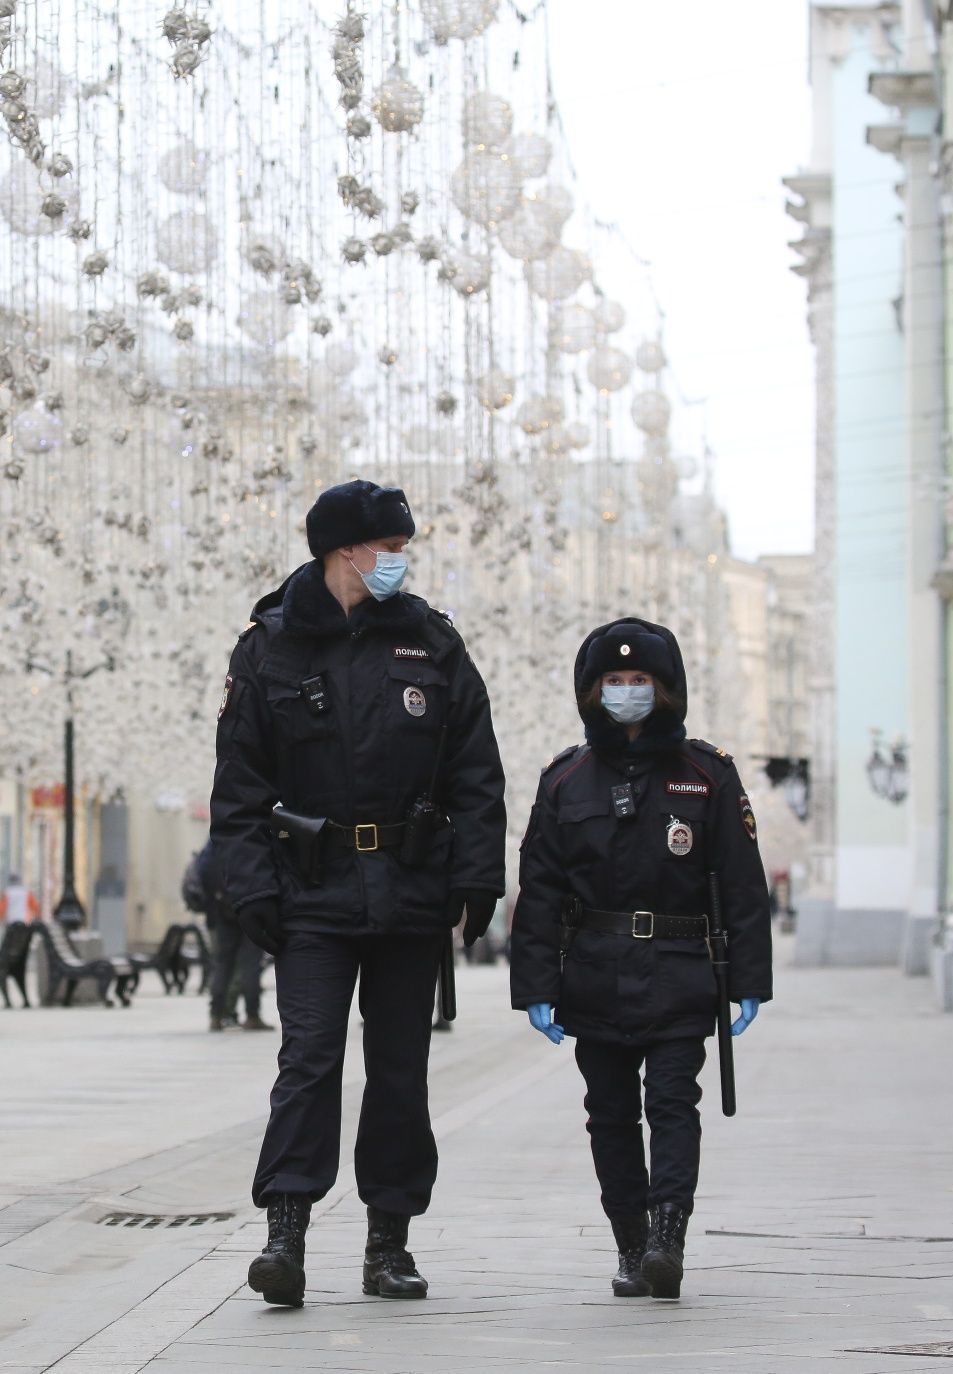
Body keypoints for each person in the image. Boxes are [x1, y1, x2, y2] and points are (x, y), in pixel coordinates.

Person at [211, 479, 509, 1307]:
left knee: (400, 1072)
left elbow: (476, 771)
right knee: (308, 1061)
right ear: (345, 550)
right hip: (311, 891)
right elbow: (239, 786)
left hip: (410, 891)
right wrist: (250, 888)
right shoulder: (269, 649)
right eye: (391, 549)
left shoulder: (431, 644)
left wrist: (478, 876)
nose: (401, 562)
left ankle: (389, 1243)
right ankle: (285, 1235)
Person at [509, 617, 773, 1301]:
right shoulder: (566, 780)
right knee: (610, 1114)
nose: (627, 691)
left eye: (640, 680)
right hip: (594, 970)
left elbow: (743, 884)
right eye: (614, 680)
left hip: (680, 967)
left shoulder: (705, 775)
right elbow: (540, 891)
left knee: (673, 1104)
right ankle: (630, 1242)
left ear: (665, 690)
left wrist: (748, 979)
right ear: (592, 691)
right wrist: (535, 985)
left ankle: (667, 1238)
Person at [193, 840, 270, 1033]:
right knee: (251, 964)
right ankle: (252, 1015)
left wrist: (218, 896)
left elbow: (204, 869)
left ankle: (216, 1016)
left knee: (222, 964)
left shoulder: (219, 838)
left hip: (224, 911)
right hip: (252, 906)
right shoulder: (255, 836)